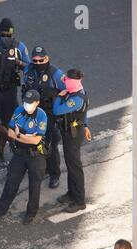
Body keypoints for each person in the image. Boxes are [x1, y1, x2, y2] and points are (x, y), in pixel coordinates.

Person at [0, 90, 48, 225]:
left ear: (37, 102)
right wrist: (25, 137)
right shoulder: (19, 110)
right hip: (19, 154)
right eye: (26, 102)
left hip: (35, 155)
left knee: (34, 185)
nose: (27, 105)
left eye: (30, 103)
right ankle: (0, 209)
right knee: (11, 181)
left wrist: (20, 136)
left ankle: (31, 212)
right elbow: (10, 132)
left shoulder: (41, 116)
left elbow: (35, 141)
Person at [0, 17, 30, 168]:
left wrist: (18, 62)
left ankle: (0, 152)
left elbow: (29, 66)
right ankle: (14, 141)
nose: (5, 38)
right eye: (3, 35)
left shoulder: (19, 47)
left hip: (9, 90)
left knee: (9, 124)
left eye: (8, 35)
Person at [23, 46, 65, 188]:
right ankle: (42, 168)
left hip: (49, 115)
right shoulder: (28, 70)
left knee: (50, 145)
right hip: (32, 114)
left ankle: (54, 174)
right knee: (34, 143)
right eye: (35, 60)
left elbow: (68, 89)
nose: (39, 63)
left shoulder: (56, 74)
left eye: (42, 60)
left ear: (47, 58)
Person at [53, 68, 92, 213]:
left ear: (73, 81)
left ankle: (79, 201)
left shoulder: (76, 99)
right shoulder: (78, 91)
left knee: (75, 166)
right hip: (72, 130)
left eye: (67, 80)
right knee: (70, 164)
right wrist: (86, 126)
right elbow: (84, 114)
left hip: (73, 134)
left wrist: (59, 96)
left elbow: (57, 110)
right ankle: (71, 193)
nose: (65, 82)